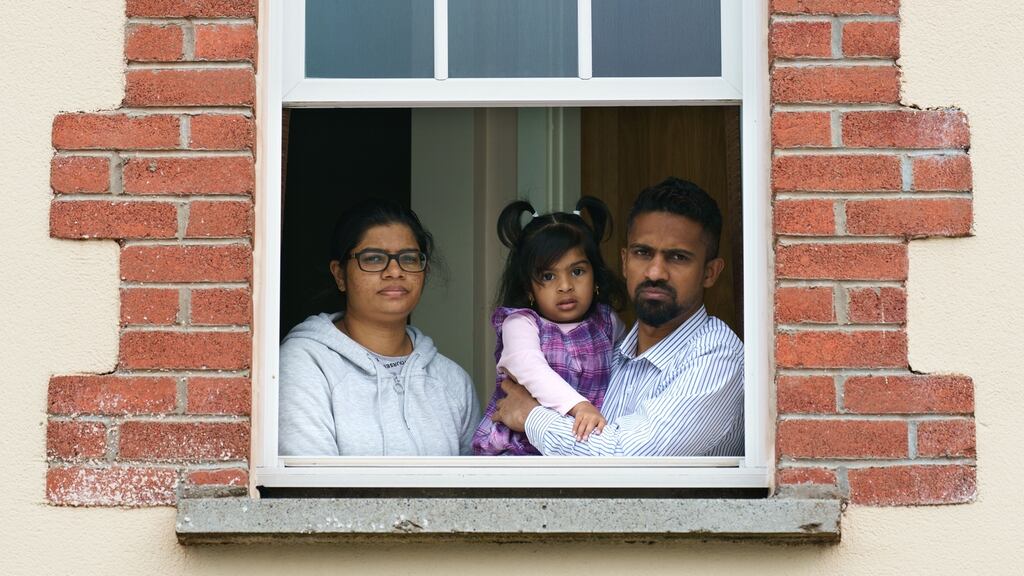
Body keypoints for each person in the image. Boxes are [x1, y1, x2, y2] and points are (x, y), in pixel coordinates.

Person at [491, 177, 745, 456]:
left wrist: (530, 416)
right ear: (624, 261)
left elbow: (628, 459)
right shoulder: (608, 352)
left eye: (677, 257)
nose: (655, 272)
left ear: (710, 272)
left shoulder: (716, 354)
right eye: (643, 253)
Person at [278, 198, 481, 456]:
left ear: (424, 271)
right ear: (340, 274)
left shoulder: (452, 381)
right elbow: (310, 486)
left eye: (408, 258)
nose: (395, 271)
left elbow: (474, 490)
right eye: (373, 259)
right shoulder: (308, 363)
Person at [473, 197, 627, 455]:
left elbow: (632, 361)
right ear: (528, 287)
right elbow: (530, 368)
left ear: (595, 275)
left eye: (577, 272)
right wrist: (579, 406)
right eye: (548, 276)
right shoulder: (521, 323)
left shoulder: (607, 322)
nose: (565, 286)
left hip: (582, 448)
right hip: (518, 450)